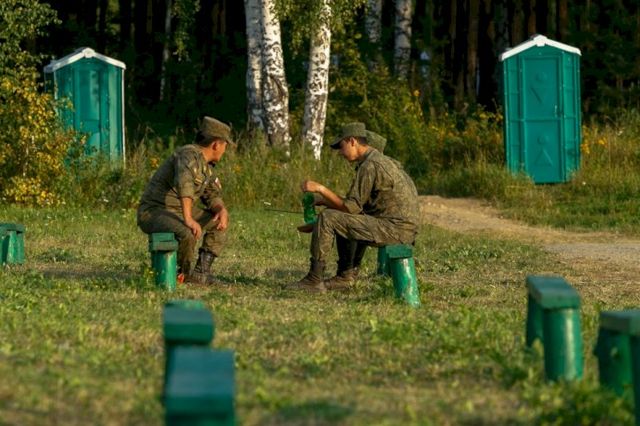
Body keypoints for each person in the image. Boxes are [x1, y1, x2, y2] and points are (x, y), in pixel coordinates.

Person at [287, 122, 420, 292]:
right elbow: (356, 208)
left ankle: (314, 279)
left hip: (396, 230)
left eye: (341, 146)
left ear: (352, 141)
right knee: (341, 218)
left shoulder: (370, 165)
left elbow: (350, 208)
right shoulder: (379, 161)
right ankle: (345, 277)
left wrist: (321, 189)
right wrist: (324, 205)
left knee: (330, 217)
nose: (340, 153)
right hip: (402, 228)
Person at [137, 116, 233, 285]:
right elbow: (185, 183)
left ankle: (201, 273)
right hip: (154, 211)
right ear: (216, 144)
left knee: (217, 223)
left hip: (177, 211)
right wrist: (188, 219)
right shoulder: (188, 156)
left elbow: (211, 194)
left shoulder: (206, 165)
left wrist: (220, 209)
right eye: (225, 145)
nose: (225, 150)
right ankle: (183, 273)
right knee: (186, 232)